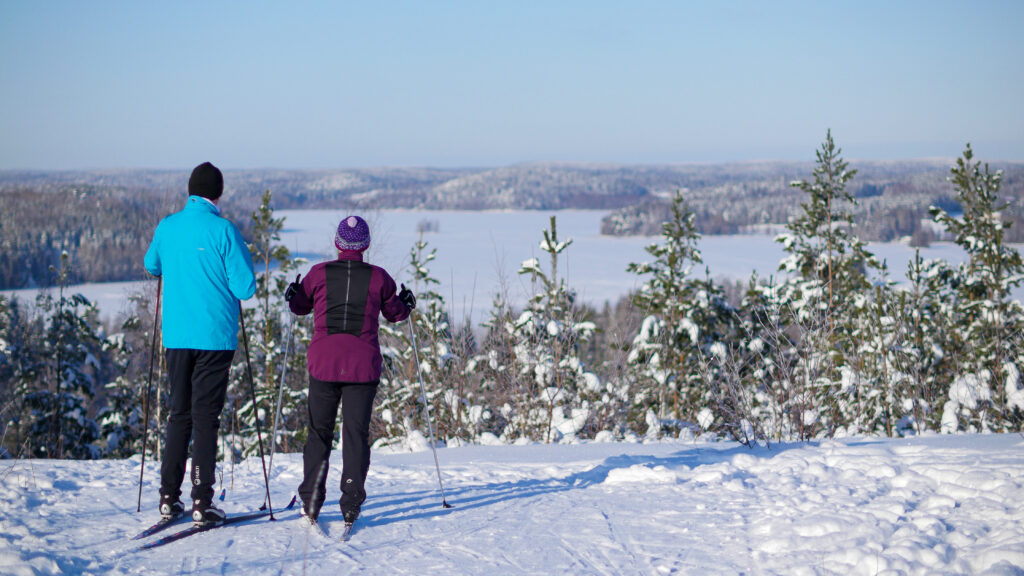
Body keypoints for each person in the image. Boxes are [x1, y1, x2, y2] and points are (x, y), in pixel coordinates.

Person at [143, 162, 256, 526]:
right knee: (206, 419)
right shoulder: (224, 230)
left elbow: (151, 265)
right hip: (215, 339)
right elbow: (245, 288)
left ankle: (167, 497)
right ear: (218, 194)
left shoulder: (167, 226)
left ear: (190, 191)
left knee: (179, 415)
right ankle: (201, 502)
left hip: (176, 337)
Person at [286, 215, 415, 525]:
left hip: (324, 365)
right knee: (355, 434)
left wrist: (292, 293)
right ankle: (351, 501)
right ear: (366, 245)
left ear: (337, 243)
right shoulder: (379, 278)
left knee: (319, 432)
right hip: (362, 368)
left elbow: (300, 306)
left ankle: (312, 499)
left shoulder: (318, 274)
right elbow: (395, 313)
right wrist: (407, 302)